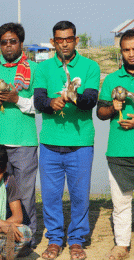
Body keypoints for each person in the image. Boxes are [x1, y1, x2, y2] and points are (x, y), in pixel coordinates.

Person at [33, 21, 100, 260]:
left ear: (76, 40)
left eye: (68, 39)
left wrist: (73, 97)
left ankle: (77, 241)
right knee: (51, 196)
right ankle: (54, 240)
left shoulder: (90, 66)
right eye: (59, 40)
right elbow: (38, 101)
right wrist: (51, 103)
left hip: (80, 143)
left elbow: (91, 99)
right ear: (53, 42)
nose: (64, 44)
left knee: (80, 195)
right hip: (50, 143)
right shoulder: (43, 68)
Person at [0, 22, 38, 246]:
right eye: (4, 42)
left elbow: (38, 105)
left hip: (24, 142)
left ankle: (27, 241)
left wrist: (16, 99)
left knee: (24, 194)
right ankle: (3, 238)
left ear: (21, 43)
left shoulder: (33, 69)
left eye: (13, 41)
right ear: (0, 45)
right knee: (0, 194)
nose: (9, 46)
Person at [97, 29, 134, 260]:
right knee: (121, 202)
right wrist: (113, 108)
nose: (131, 54)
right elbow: (100, 113)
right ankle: (122, 245)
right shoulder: (111, 79)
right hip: (119, 150)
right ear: (120, 52)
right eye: (127, 50)